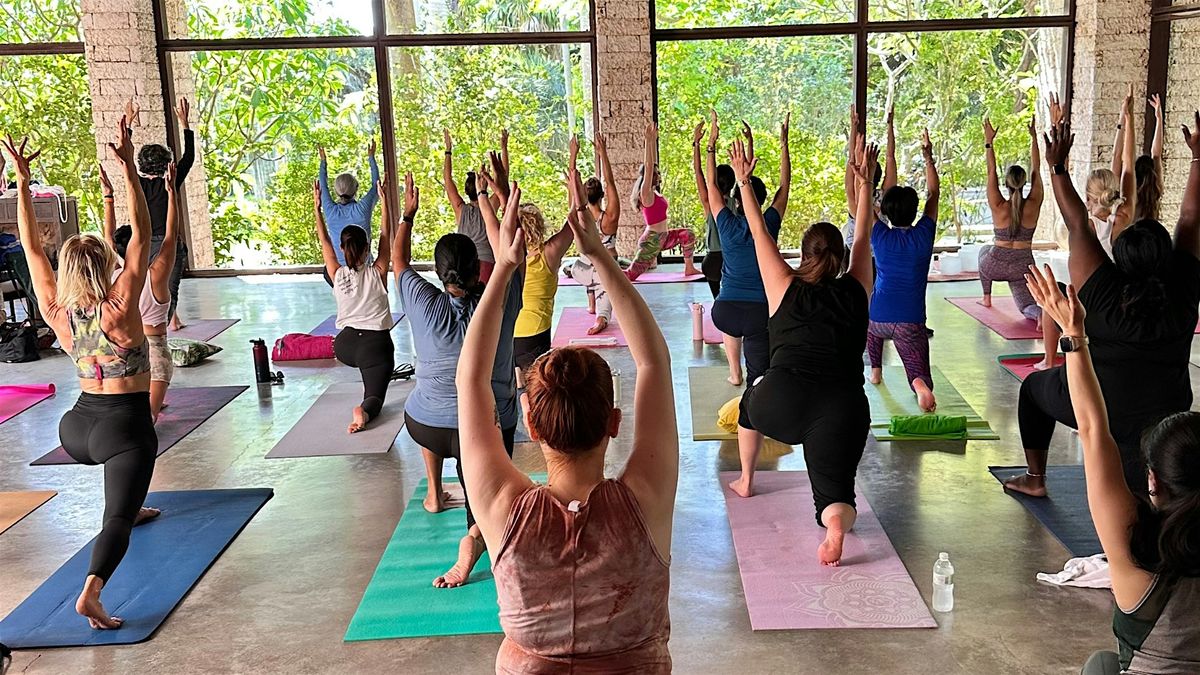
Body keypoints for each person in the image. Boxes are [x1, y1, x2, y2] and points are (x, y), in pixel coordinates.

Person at [455, 173, 677, 672]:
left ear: (532, 427)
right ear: (614, 422)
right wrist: (600, 255)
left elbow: (470, 382)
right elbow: (654, 365)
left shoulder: (503, 509)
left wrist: (505, 267)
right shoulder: (646, 499)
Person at [4, 121, 160, 629]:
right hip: (123, 428)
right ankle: (92, 592)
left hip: (74, 430)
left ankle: (131, 502)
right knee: (115, 518)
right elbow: (144, 234)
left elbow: (29, 248)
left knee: (125, 496)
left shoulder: (58, 310)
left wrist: (21, 184)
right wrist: (131, 171)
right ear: (105, 266)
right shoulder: (119, 307)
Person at [1003, 116, 1200, 500]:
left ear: (1120, 260)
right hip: (1168, 413)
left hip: (1100, 408)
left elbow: (1077, 223)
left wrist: (1057, 166)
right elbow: (1191, 219)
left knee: (1032, 390)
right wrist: (1197, 160)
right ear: (1166, 257)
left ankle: (1035, 477)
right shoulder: (1182, 288)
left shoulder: (1104, 289)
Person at [1023, 266, 1200, 675]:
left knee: (1102, 666)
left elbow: (1092, 429)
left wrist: (1074, 335)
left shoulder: (1133, 545)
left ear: (1152, 480)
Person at [728, 133, 878, 567]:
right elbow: (864, 232)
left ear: (804, 252)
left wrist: (743, 180)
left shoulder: (783, 285)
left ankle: (746, 479)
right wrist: (864, 183)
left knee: (747, 405)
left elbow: (758, 231)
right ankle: (833, 527)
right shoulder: (857, 288)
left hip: (781, 399)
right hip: (843, 407)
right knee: (836, 495)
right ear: (842, 255)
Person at [391, 171, 524, 588]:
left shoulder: (422, 298)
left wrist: (407, 215)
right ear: (478, 270)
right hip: (478, 431)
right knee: (485, 491)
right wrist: (498, 198)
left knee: (434, 396)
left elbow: (397, 261)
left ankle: (433, 492)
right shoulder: (498, 299)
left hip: (423, 425)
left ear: (439, 271)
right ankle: (475, 535)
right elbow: (507, 255)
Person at [705, 111, 791, 390]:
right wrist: (783, 143)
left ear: (736, 200)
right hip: (759, 313)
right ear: (762, 201)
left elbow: (711, 186)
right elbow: (784, 186)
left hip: (725, 310)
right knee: (759, 372)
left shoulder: (727, 224)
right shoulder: (769, 223)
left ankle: (734, 373)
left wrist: (710, 145)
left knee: (733, 325)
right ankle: (755, 382)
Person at [977, 114, 1059, 371]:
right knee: (1026, 306)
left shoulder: (999, 205)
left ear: (1006, 183)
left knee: (982, 252)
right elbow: (1038, 171)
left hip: (995, 266)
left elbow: (990, 170)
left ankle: (987, 297)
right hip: (1023, 268)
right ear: (1024, 183)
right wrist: (1035, 137)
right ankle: (1038, 316)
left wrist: (989, 142)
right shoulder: (1033, 204)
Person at [866, 127, 940, 413]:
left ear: (885, 210)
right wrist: (928, 157)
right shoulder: (924, 235)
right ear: (914, 211)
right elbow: (934, 192)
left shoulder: (880, 235)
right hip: (910, 320)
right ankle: (920, 388)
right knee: (918, 368)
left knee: (872, 333)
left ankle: (875, 370)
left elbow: (865, 205)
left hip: (879, 317)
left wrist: (867, 174)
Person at [314, 175, 394, 434]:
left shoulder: (336, 274)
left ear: (342, 247)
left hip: (345, 346)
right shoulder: (377, 272)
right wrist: (384, 204)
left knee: (366, 363)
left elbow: (324, 242)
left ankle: (365, 390)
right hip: (374, 346)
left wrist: (317, 210)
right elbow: (386, 235)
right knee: (376, 398)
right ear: (367, 248)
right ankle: (364, 412)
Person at [100, 161, 178, 422]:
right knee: (145, 423)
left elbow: (107, 239)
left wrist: (108, 198)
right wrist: (172, 194)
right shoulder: (155, 275)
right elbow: (171, 235)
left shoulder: (111, 276)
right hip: (154, 353)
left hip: (120, 353)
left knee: (133, 419)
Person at [125, 97, 193, 331]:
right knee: (169, 287)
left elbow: (125, 159)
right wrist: (185, 123)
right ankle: (165, 323)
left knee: (143, 287)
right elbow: (190, 157)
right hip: (167, 243)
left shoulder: (137, 184)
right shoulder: (170, 182)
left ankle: (163, 322)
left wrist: (128, 125)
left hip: (141, 244)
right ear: (168, 166)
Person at [512, 138, 576, 371]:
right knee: (537, 390)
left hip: (509, 331)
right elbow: (573, 220)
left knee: (516, 390)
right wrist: (572, 180)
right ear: (539, 225)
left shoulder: (507, 256)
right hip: (535, 334)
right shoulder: (548, 254)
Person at [692, 120, 744, 385]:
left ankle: (730, 332)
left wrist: (701, 144)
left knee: (722, 302)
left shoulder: (711, 203)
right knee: (732, 299)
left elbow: (701, 175)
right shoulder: (739, 201)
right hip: (733, 259)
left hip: (713, 261)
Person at [565, 133, 622, 335]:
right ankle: (602, 316)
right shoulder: (609, 219)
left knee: (576, 264)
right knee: (606, 267)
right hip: (602, 272)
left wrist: (573, 154)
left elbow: (572, 184)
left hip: (581, 272)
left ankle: (591, 303)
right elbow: (611, 183)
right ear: (602, 195)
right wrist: (603, 153)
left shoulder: (579, 213)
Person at [626, 123, 699, 281]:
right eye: (656, 173)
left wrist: (653, 141)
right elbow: (648, 166)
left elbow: (651, 165)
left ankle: (689, 268)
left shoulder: (655, 193)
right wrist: (648, 141)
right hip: (652, 240)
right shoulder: (645, 194)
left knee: (688, 234)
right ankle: (597, 272)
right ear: (648, 176)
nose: (658, 175)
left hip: (664, 237)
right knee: (630, 275)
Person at [443, 129, 509, 284]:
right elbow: (504, 178)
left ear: (466, 190)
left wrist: (448, 150)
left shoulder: (460, 209)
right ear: (483, 185)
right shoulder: (491, 205)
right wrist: (504, 148)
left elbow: (447, 179)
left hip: (465, 265)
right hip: (487, 264)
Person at [316, 139, 380, 286]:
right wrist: (371, 158)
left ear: (336, 191)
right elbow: (377, 184)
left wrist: (323, 162)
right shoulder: (362, 208)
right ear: (356, 189)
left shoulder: (330, 210)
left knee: (328, 271)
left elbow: (323, 186)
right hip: (364, 269)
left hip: (338, 272)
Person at [1088, 86, 1139, 258]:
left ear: (1088, 197)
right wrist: (1128, 118)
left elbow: (1117, 157)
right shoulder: (1123, 217)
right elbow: (1128, 163)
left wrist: (1122, 120)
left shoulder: (1085, 226)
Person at [842, 105, 895, 254]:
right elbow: (890, 158)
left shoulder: (856, 203)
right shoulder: (884, 200)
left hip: (856, 259)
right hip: (881, 256)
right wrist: (890, 126)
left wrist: (854, 127)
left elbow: (851, 159)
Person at [1114, 93, 1165, 223]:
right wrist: (1159, 119)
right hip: (1151, 239)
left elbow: (1117, 155)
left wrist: (1123, 117)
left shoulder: (1127, 194)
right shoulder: (1155, 192)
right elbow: (1157, 154)